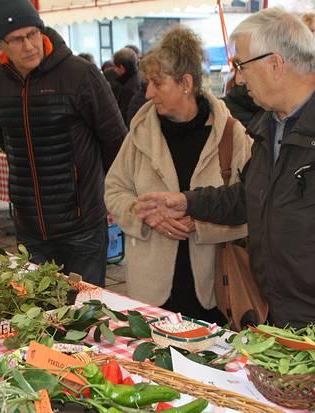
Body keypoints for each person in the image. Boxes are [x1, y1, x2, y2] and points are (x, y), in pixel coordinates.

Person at [136, 8, 315, 357]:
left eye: (241, 66)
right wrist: (187, 201)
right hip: (282, 316)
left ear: (275, 64)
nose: (237, 79)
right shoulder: (271, 125)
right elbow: (249, 197)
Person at [105, 26, 251, 323]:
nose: (148, 93)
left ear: (186, 83)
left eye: (157, 84)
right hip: (151, 291)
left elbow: (253, 208)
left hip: (214, 291)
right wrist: (145, 215)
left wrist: (199, 223)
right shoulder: (140, 131)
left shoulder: (231, 135)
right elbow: (114, 190)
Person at [0, 0, 127, 287]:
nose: (29, 46)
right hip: (29, 225)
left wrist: (109, 196)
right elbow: (3, 138)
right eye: (17, 39)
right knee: (38, 312)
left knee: (85, 312)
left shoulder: (80, 74)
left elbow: (116, 140)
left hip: (81, 222)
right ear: (1, 44)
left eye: (34, 34)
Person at [112, 47, 141, 119]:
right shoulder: (141, 77)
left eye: (115, 67)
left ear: (121, 68)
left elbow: (124, 115)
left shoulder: (128, 88)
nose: (114, 70)